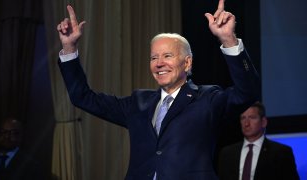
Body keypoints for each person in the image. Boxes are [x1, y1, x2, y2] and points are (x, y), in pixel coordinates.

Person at [56, 0, 260, 179]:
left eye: (167, 56)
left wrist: (228, 40)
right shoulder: (138, 102)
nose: (159, 63)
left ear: (187, 63)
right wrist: (69, 48)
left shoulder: (207, 99)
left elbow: (247, 92)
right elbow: (82, 97)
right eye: (154, 58)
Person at [218, 102, 300, 180]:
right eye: (243, 118)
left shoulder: (281, 153)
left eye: (252, 117)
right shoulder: (227, 153)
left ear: (263, 122)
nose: (246, 123)